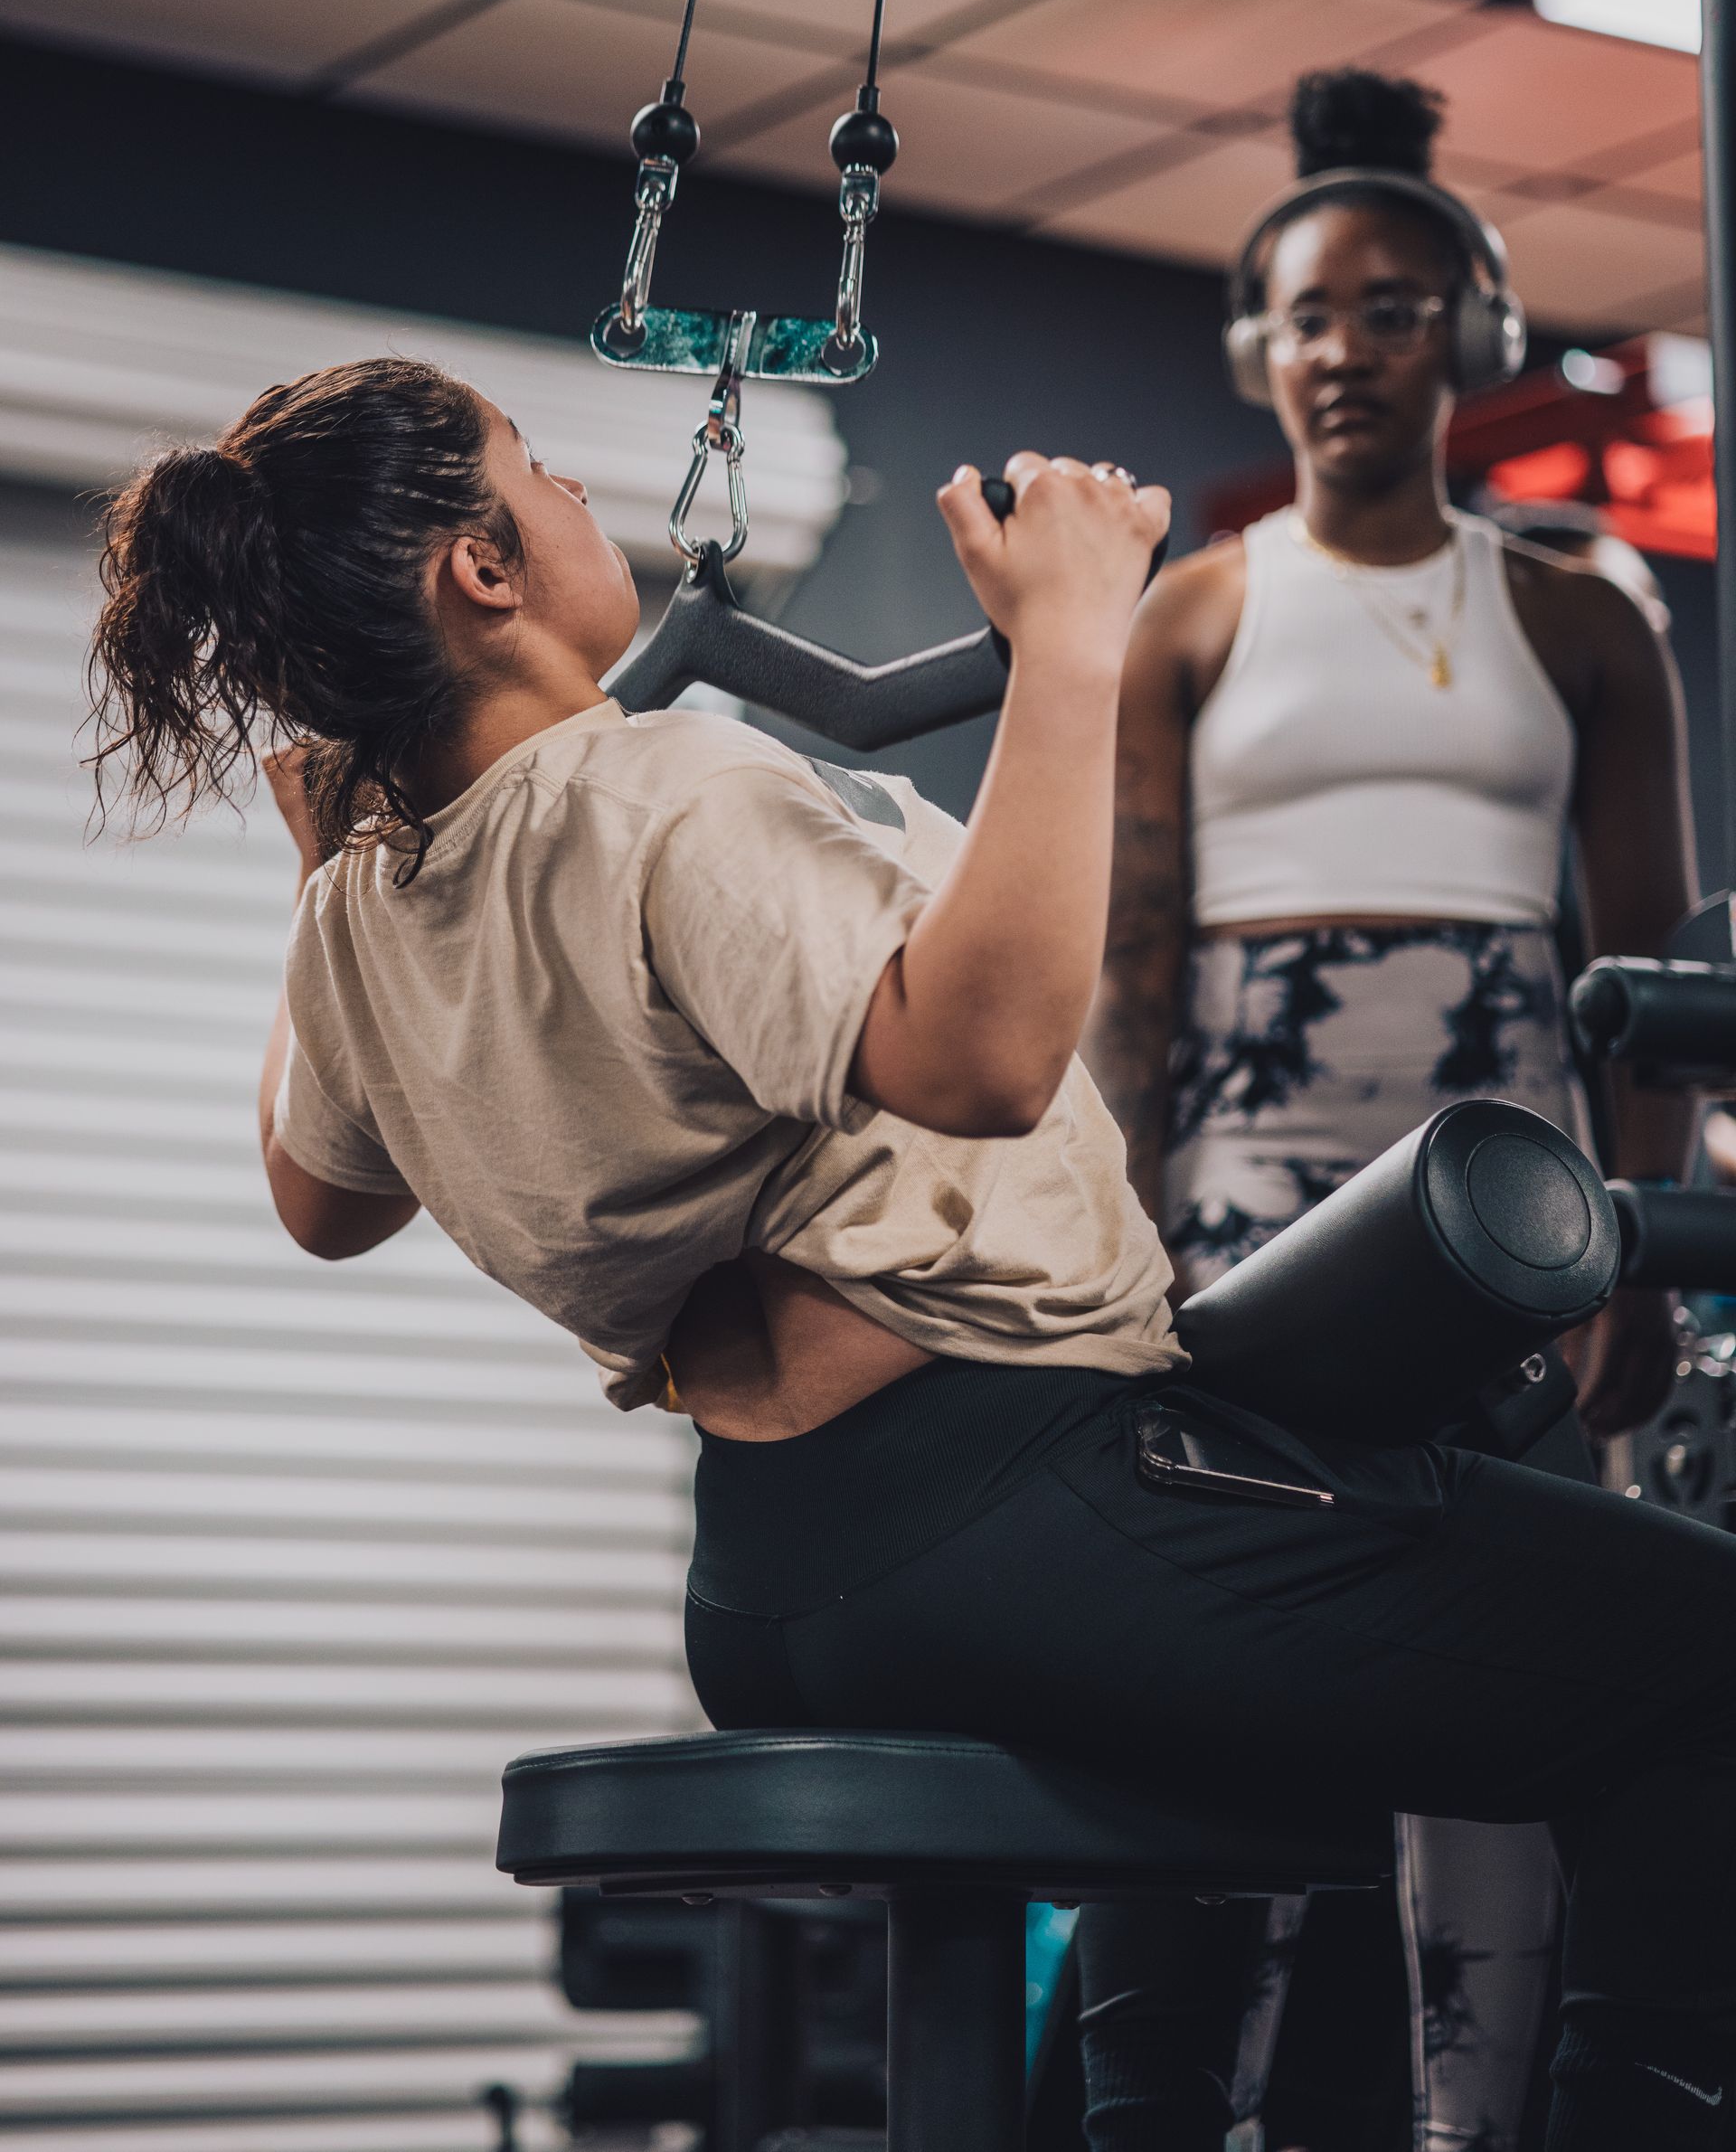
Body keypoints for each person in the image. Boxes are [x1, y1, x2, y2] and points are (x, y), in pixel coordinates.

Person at [87, 354, 1736, 2152]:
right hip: (1013, 1510)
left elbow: (318, 1201)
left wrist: (315, 877)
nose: (571, 497)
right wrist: (1076, 640)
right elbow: (977, 1053)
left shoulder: (370, 907)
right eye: (539, 471)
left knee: (1246, 1710)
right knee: (1702, 1651)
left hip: (780, 1578)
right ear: (481, 568)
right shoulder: (663, 794)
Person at [1081, 71, 1700, 2152]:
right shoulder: (1195, 604)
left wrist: (1647, 1249)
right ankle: (1195, 2111)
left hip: (1509, 1209)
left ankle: (1477, 2127)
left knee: (1513, 1684)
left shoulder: (1582, 615)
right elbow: (1133, 973)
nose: (1350, 350)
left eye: (1396, 309)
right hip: (1247, 1209)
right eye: (1312, 315)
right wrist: (1097, 1247)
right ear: (1266, 349)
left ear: (1476, 340)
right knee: (1242, 1670)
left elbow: (1649, 971)